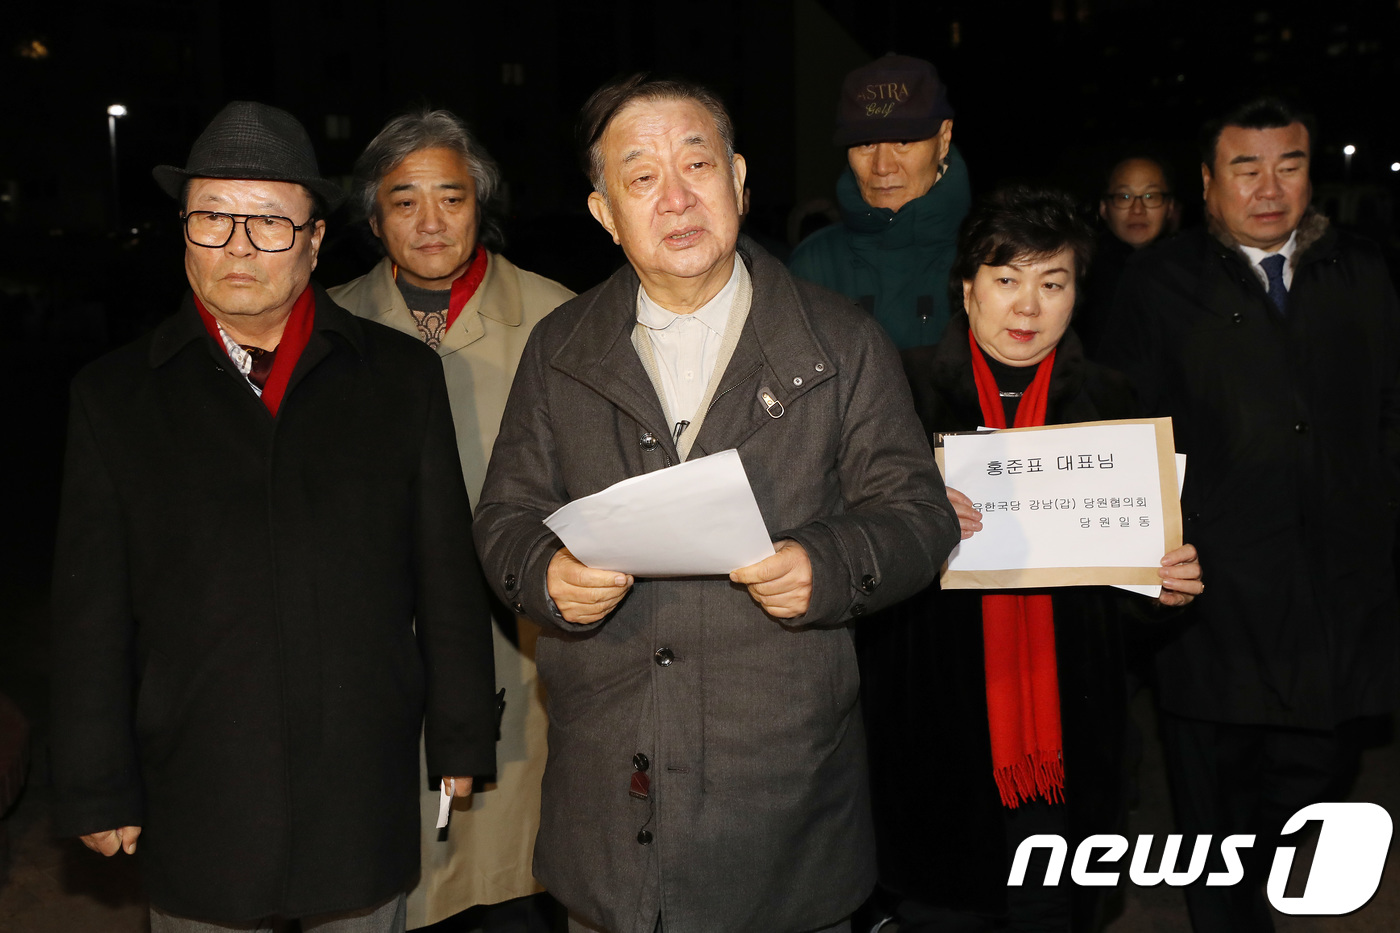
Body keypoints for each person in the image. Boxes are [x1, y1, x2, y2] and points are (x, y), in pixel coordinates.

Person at [471, 74, 959, 933]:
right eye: (642, 177)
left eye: (696, 164)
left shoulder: (839, 340)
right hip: (609, 797)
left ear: (738, 180)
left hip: (784, 795)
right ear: (603, 213)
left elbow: (917, 510)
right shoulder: (561, 348)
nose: (677, 197)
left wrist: (831, 562)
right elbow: (504, 514)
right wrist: (544, 576)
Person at [49, 101, 498, 933]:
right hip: (198, 769)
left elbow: (444, 569)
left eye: (268, 223)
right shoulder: (115, 397)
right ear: (183, 232)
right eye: (213, 220)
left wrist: (462, 732)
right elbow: (89, 613)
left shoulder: (396, 380)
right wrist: (92, 778)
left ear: (317, 239)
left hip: (358, 766)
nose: (239, 248)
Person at [861, 186, 1202, 932]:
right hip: (936, 736)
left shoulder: (1116, 405)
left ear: (1078, 293)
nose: (1028, 305)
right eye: (1006, 278)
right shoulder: (898, 392)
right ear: (967, 286)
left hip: (1069, 739)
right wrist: (904, 524)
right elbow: (850, 561)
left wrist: (1163, 589)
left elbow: (1126, 613)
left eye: (1053, 283)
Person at [1102, 97, 1400, 932]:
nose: (1269, 187)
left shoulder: (1363, 270)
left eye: (1289, 164)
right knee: (1218, 829)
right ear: (1207, 183)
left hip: (1335, 601)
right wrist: (1149, 558)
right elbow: (1130, 434)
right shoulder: (1160, 284)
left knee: (1311, 788)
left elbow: (1389, 407)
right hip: (1213, 611)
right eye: (1245, 167)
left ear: (1312, 174)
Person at [329, 109, 573, 930]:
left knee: (510, 875)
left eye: (451, 197)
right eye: (405, 201)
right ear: (373, 217)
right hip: (374, 640)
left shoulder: (559, 318)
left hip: (519, 636)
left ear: (482, 205)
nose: (430, 221)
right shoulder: (327, 325)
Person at [789, 52, 971, 350]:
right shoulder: (812, 267)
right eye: (865, 143)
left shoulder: (992, 258)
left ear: (944, 138)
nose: (883, 166)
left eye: (903, 142)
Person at [1076, 155, 1180, 356]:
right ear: (1104, 208)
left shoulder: (1193, 272)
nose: (1138, 209)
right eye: (1124, 197)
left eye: (1151, 196)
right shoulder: (1079, 273)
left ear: (1170, 207)